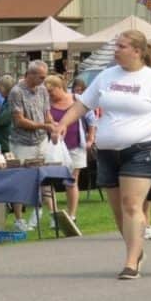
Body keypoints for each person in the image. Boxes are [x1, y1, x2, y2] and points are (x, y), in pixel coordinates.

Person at [53, 30, 151, 279]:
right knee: (118, 211)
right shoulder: (106, 77)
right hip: (107, 151)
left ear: (137, 51)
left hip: (143, 147)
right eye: (117, 46)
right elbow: (83, 104)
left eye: (122, 46)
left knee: (131, 204)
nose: (116, 50)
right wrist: (64, 122)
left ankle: (130, 263)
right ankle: (136, 251)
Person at [8, 60, 53, 231]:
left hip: (41, 140)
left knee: (45, 178)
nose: (44, 80)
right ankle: (19, 219)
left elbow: (47, 113)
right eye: (41, 77)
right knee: (21, 181)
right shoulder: (16, 92)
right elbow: (19, 121)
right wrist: (43, 126)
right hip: (22, 143)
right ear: (31, 74)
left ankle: (50, 215)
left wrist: (53, 125)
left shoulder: (42, 90)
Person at [45, 74, 95, 222]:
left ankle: (71, 215)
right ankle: (54, 215)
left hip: (75, 145)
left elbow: (91, 119)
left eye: (51, 91)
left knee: (71, 181)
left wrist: (90, 138)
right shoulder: (46, 103)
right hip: (53, 147)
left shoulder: (77, 99)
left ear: (60, 88)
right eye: (47, 93)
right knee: (48, 181)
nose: (50, 95)